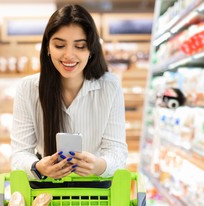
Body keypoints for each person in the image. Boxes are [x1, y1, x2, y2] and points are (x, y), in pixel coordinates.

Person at [10, 4, 128, 180]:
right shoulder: (28, 88)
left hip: (96, 196)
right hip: (46, 194)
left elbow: (117, 153)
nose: (69, 55)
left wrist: (98, 166)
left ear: (91, 51)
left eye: (80, 46)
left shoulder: (110, 86)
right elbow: (19, 155)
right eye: (59, 45)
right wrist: (37, 167)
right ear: (48, 48)